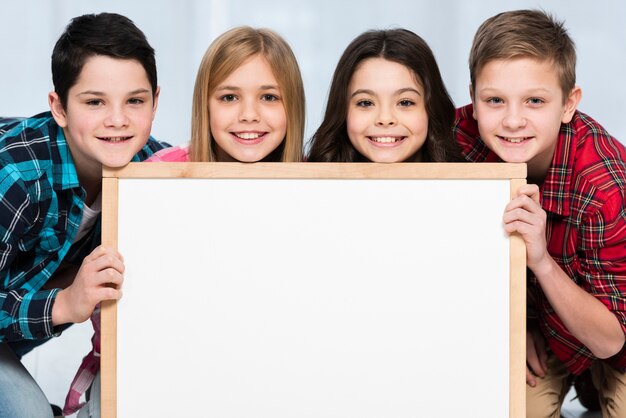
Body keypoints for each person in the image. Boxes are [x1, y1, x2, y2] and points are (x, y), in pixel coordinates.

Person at [453, 9, 626, 417]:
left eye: (535, 100)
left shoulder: (604, 184)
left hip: (612, 332)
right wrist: (515, 322)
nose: (513, 120)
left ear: (568, 104)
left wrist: (541, 260)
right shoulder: (457, 141)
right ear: (474, 101)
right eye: (495, 100)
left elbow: (611, 340)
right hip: (541, 330)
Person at [0, 12, 168, 418]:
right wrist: (64, 304)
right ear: (59, 107)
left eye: (135, 101)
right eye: (95, 102)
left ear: (155, 101)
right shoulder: (15, 176)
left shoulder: (154, 171)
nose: (117, 120)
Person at [148, 26, 305, 163]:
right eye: (229, 97)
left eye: (269, 97)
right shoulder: (154, 175)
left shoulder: (320, 179)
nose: (249, 115)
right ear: (205, 106)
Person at [307, 28, 462, 163]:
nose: (385, 119)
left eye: (405, 102)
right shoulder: (304, 181)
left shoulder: (471, 183)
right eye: (365, 103)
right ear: (342, 111)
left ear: (432, 109)